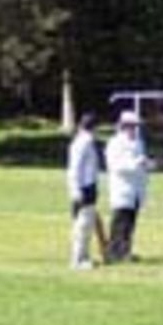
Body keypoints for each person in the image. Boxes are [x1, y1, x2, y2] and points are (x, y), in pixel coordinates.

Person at [105, 110, 153, 263]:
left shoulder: (139, 143)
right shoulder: (115, 143)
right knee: (120, 222)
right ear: (123, 126)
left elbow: (141, 162)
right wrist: (135, 164)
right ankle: (114, 252)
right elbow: (114, 166)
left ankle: (126, 251)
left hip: (136, 189)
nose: (133, 130)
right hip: (122, 188)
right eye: (131, 126)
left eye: (135, 126)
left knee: (131, 223)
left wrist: (147, 165)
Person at [66, 112, 106, 269]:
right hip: (83, 188)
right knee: (82, 224)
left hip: (89, 186)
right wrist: (76, 191)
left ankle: (83, 256)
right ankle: (77, 260)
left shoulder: (86, 141)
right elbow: (74, 169)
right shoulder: (82, 143)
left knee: (87, 224)